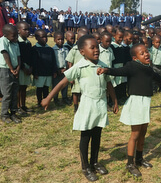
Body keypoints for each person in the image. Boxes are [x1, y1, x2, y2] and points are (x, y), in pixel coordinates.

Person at [42, 35, 118, 182]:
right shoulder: (80, 66)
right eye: (92, 47)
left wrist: (114, 101)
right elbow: (62, 83)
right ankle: (86, 167)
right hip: (88, 105)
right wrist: (48, 98)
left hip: (101, 104)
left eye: (97, 47)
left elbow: (109, 84)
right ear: (82, 52)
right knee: (86, 136)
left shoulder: (102, 65)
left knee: (97, 134)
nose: (96, 50)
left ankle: (95, 162)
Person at [97, 43, 161, 178]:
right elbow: (119, 71)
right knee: (135, 134)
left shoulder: (148, 68)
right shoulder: (132, 66)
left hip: (145, 102)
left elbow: (156, 77)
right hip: (136, 103)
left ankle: (139, 158)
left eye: (146, 51)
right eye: (142, 53)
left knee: (143, 132)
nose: (146, 54)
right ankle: (130, 163)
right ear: (135, 58)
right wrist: (106, 70)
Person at [0, 24, 21, 124]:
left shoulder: (15, 43)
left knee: (15, 92)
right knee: (7, 93)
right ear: (6, 35)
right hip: (6, 70)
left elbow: (19, 56)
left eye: (16, 35)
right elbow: (5, 55)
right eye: (13, 36)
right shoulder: (2, 41)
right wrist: (11, 68)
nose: (16, 38)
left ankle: (13, 113)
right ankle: (4, 114)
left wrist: (18, 68)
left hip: (15, 69)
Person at [32, 29, 57, 107]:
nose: (45, 39)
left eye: (46, 37)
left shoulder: (50, 49)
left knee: (46, 88)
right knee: (39, 88)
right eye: (42, 37)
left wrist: (54, 71)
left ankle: (46, 101)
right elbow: (34, 62)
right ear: (36, 38)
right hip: (39, 74)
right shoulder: (35, 49)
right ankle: (39, 102)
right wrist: (35, 72)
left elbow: (53, 61)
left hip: (48, 73)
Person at [66, 30, 88, 112]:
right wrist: (71, 76)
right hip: (76, 74)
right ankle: (76, 107)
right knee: (75, 91)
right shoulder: (74, 49)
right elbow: (70, 62)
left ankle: (83, 106)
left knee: (84, 91)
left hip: (85, 74)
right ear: (77, 39)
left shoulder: (87, 49)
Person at [16, 21, 33, 114]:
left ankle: (23, 105)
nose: (27, 32)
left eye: (28, 29)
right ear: (18, 31)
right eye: (25, 30)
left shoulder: (28, 42)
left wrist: (31, 67)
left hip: (27, 68)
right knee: (19, 88)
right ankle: (18, 106)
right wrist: (23, 68)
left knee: (24, 88)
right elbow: (18, 57)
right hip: (21, 68)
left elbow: (30, 56)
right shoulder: (17, 42)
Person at [52, 31, 71, 106]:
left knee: (65, 85)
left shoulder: (66, 49)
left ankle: (64, 97)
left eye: (62, 39)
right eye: (58, 39)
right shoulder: (53, 50)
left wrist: (66, 68)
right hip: (57, 71)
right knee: (56, 85)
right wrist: (57, 70)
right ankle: (55, 99)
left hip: (64, 70)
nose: (61, 41)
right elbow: (53, 61)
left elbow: (68, 60)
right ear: (54, 40)